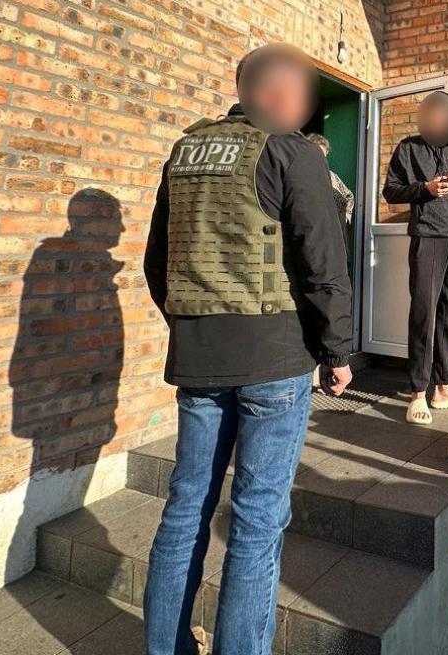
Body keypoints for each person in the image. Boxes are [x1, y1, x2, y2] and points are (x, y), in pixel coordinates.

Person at [142, 43, 354, 655]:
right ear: (283, 94)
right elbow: (322, 264)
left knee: (185, 508)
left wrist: (192, 327)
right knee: (257, 520)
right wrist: (337, 351)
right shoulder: (291, 151)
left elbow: (159, 261)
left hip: (198, 359)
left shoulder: (184, 153)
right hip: (273, 358)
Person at [382, 90, 448, 425]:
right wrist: (425, 189)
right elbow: (390, 191)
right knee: (424, 314)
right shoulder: (408, 149)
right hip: (428, 239)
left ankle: (444, 387)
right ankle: (417, 393)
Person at [305, 131, 354, 230]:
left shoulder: (332, 177)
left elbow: (349, 196)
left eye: (324, 155)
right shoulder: (299, 175)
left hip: (336, 232)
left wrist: (346, 217)